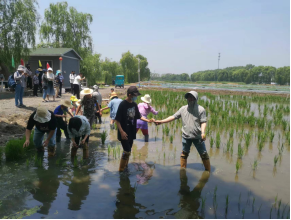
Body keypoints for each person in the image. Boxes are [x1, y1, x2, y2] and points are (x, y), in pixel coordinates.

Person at [154, 91, 210, 171]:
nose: (190, 99)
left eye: (192, 97)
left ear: (196, 98)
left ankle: (208, 171)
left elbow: (203, 122)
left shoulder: (201, 109)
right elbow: (173, 117)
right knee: (184, 154)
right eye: (189, 97)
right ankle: (183, 171)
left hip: (198, 137)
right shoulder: (183, 109)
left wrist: (203, 132)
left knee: (204, 154)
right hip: (186, 136)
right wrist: (161, 121)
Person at [115, 86, 153, 172]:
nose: (136, 97)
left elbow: (139, 116)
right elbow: (117, 120)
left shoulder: (134, 104)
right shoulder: (123, 104)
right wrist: (121, 132)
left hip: (131, 132)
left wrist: (148, 120)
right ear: (129, 95)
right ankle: (121, 170)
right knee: (127, 151)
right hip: (123, 132)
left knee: (129, 151)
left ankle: (125, 167)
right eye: (135, 95)